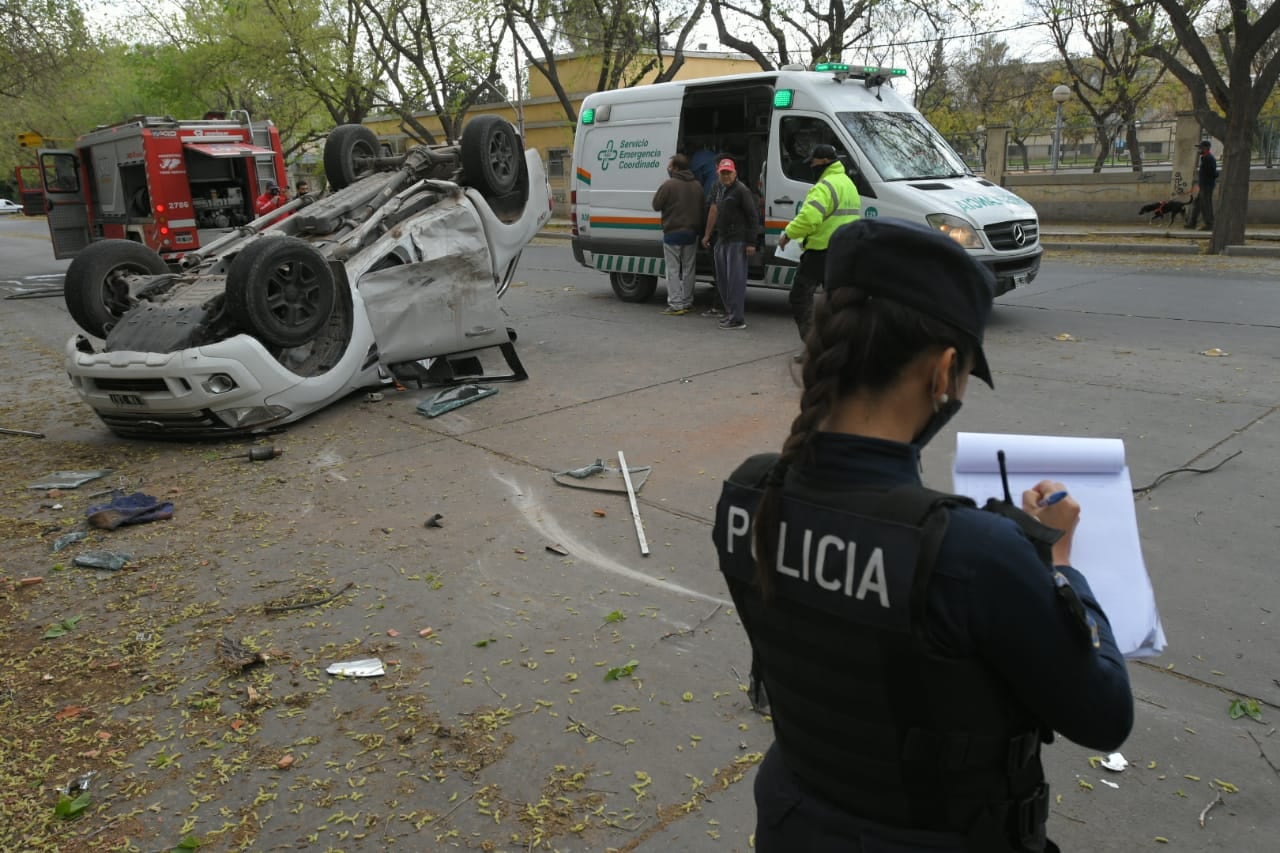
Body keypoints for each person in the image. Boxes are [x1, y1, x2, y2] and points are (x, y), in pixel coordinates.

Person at [712, 218, 1134, 852]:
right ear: (942, 373)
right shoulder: (973, 553)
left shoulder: (748, 496)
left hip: (792, 825)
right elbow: (1105, 716)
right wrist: (1061, 563)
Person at [777, 143, 860, 348]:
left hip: (821, 252)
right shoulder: (848, 183)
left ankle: (814, 346)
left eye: (812, 162)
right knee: (835, 301)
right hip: (844, 250)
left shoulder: (825, 186)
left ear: (823, 162)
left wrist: (789, 233)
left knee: (799, 298)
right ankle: (839, 343)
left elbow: (809, 218)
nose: (811, 166)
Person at [701, 158, 758, 330]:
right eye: (722, 173)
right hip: (723, 239)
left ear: (735, 173)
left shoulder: (741, 191)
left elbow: (752, 217)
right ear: (718, 174)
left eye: (728, 173)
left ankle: (737, 319)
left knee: (735, 281)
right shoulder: (723, 190)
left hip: (737, 240)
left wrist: (751, 242)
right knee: (723, 281)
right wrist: (709, 235)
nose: (725, 176)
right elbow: (715, 211)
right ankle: (730, 314)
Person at [651, 153, 705, 315]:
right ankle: (688, 301)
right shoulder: (697, 185)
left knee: (673, 270)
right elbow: (703, 209)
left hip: (673, 233)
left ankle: (675, 304)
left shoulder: (668, 185)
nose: (668, 168)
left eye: (670, 166)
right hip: (691, 233)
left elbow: (656, 205)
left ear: (675, 167)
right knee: (689, 268)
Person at [1185, 140, 1218, 231]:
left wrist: (1205, 182)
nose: (1199, 149)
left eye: (1201, 147)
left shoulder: (1209, 158)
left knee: (1206, 205)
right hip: (1203, 185)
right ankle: (1192, 223)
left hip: (1207, 186)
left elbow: (1213, 173)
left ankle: (1209, 224)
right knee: (1197, 203)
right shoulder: (1205, 157)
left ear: (1206, 148)